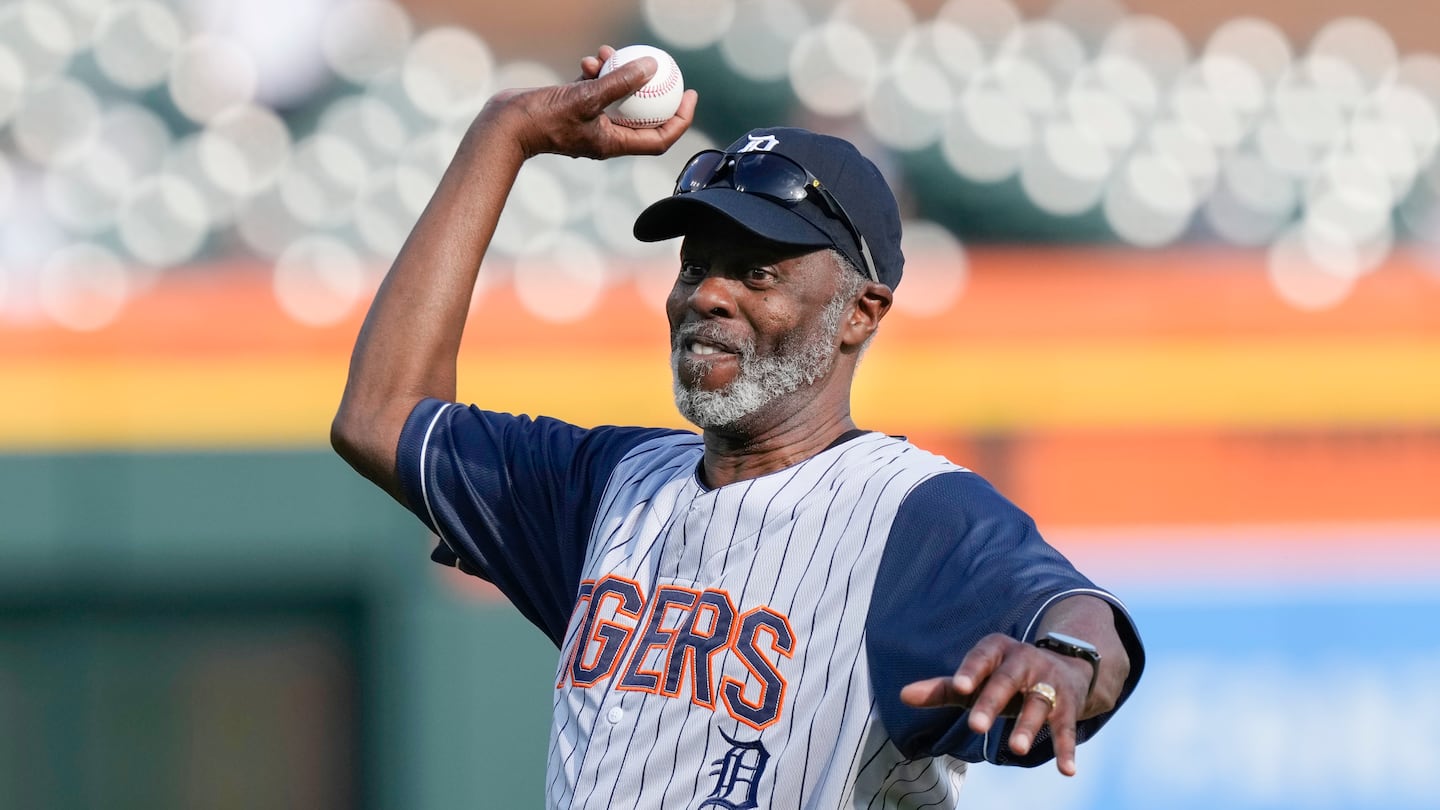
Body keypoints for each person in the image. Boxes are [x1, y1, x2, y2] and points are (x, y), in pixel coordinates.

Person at [332, 46, 1144, 809]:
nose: (707, 296)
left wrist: (1065, 664)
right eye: (695, 264)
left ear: (858, 313)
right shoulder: (608, 484)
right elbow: (379, 417)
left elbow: (1080, 617)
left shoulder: (914, 513)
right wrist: (502, 135)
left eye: (757, 271)